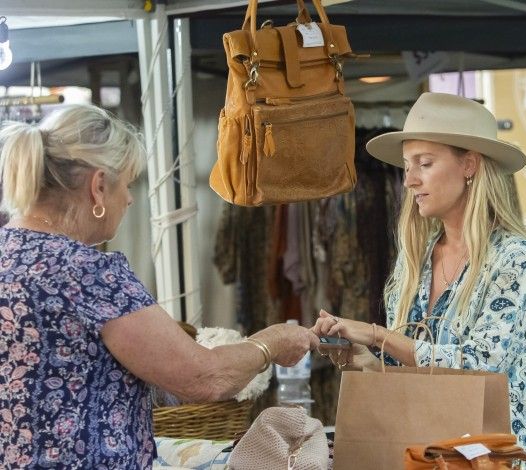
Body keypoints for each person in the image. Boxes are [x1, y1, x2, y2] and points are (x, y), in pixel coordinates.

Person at [0, 104, 319, 469]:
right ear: (99, 186)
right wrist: (271, 344)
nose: (131, 198)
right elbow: (204, 377)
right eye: (128, 183)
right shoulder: (88, 274)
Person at [313, 92, 526, 467]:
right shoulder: (418, 256)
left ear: (469, 164)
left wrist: (378, 336)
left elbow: (479, 365)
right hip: (426, 457)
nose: (409, 181)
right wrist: (371, 363)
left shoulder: (513, 257)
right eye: (407, 166)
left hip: (492, 461)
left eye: (424, 163)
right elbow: (422, 379)